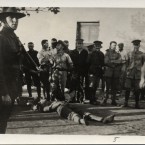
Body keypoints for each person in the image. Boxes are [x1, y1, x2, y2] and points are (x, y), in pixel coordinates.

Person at [0, 7, 26, 133]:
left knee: (4, 121)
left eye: (17, 18)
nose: (15, 20)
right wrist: (4, 92)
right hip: (4, 89)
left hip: (12, 86)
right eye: (11, 17)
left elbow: (16, 61)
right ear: (4, 20)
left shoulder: (13, 37)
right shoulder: (2, 38)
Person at [35, 99, 115, 125]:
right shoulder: (45, 107)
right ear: (41, 104)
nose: (43, 99)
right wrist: (59, 103)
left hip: (67, 105)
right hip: (61, 108)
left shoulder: (51, 101)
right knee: (72, 115)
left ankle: (102, 119)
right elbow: (49, 108)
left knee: (83, 111)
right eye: (41, 101)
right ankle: (83, 121)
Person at [123, 40, 145, 109]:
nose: (136, 46)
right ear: (133, 45)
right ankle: (125, 103)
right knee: (127, 88)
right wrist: (125, 72)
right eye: (135, 45)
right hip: (129, 74)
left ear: (139, 45)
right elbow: (126, 64)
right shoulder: (129, 53)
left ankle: (137, 104)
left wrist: (143, 76)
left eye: (137, 45)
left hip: (138, 74)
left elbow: (144, 65)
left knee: (137, 90)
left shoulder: (142, 54)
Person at [102, 41, 122, 106]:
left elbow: (120, 61)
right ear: (110, 45)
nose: (114, 46)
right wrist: (114, 63)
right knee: (107, 87)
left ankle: (113, 101)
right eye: (113, 45)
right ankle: (105, 100)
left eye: (115, 45)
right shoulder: (107, 53)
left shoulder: (118, 54)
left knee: (114, 88)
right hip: (108, 73)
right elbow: (106, 62)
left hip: (115, 73)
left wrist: (112, 61)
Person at [70, 38, 89, 103]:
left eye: (81, 44)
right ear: (76, 44)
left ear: (82, 44)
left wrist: (85, 71)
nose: (79, 45)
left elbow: (87, 62)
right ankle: (72, 98)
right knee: (73, 85)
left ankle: (80, 98)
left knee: (81, 85)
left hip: (82, 71)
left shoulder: (85, 52)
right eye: (78, 43)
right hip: (74, 71)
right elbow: (70, 62)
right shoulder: (72, 52)